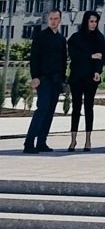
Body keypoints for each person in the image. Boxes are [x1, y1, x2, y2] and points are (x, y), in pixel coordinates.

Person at [23, 9, 68, 154]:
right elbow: (34, 58)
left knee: (50, 112)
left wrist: (63, 80)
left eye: (56, 18)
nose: (53, 21)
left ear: (60, 20)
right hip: (43, 79)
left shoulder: (61, 39)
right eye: (51, 18)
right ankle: (29, 143)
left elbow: (63, 61)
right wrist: (35, 76)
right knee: (41, 110)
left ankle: (41, 142)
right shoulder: (41, 36)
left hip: (56, 80)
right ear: (48, 20)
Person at [66, 10, 105, 151]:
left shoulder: (99, 38)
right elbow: (74, 55)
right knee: (76, 107)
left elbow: (101, 57)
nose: (93, 24)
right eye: (91, 21)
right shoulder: (75, 38)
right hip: (77, 76)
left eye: (95, 21)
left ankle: (88, 140)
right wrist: (90, 56)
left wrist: (97, 71)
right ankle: (73, 140)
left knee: (89, 107)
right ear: (86, 21)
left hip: (91, 77)